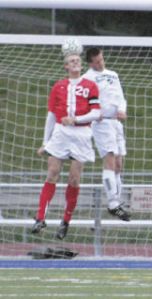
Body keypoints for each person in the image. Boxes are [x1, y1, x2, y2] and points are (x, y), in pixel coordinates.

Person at [31, 53, 101, 240]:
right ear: (66, 67)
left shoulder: (90, 86)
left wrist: (76, 119)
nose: (76, 63)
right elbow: (52, 116)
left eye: (78, 60)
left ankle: (65, 222)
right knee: (52, 172)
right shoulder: (58, 86)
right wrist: (45, 142)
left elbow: (96, 113)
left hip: (81, 133)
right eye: (72, 61)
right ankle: (40, 218)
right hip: (61, 132)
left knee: (74, 179)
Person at [83, 47, 130, 221]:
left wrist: (122, 110)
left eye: (102, 59)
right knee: (110, 159)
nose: (101, 63)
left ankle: (117, 200)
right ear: (90, 63)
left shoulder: (113, 74)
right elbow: (82, 101)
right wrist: (93, 111)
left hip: (116, 122)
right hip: (101, 123)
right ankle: (112, 203)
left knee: (119, 164)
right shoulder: (86, 79)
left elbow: (121, 96)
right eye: (97, 62)